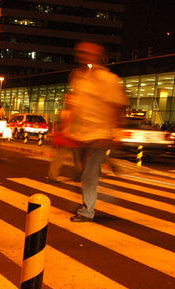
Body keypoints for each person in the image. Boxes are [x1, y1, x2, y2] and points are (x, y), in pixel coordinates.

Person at [67, 42, 128, 222]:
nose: (84, 56)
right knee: (81, 172)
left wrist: (115, 131)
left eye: (88, 53)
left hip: (100, 134)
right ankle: (108, 163)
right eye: (81, 52)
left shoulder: (108, 79)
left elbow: (117, 105)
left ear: (100, 57)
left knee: (88, 174)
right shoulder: (78, 77)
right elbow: (75, 105)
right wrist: (66, 128)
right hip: (81, 134)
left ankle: (87, 211)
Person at [47, 94, 82, 182]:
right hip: (67, 139)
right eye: (66, 99)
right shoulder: (65, 112)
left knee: (77, 160)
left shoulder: (76, 112)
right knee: (59, 158)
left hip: (75, 139)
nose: (67, 101)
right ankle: (52, 177)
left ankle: (79, 175)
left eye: (69, 99)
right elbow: (62, 125)